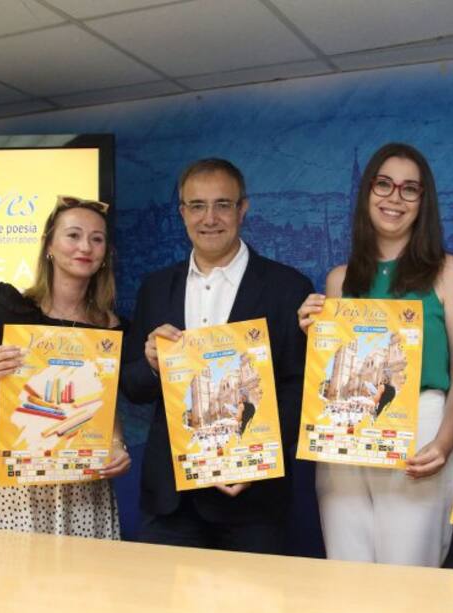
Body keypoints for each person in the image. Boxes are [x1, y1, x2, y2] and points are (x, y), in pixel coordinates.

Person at [298, 143, 453, 566]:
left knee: (407, 575)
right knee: (347, 571)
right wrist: (313, 334)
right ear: (366, 193)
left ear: (423, 202)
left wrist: (444, 443)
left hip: (420, 431)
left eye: (409, 189)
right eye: (383, 184)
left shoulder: (449, 273)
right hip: (344, 432)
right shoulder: (339, 280)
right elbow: (331, 374)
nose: (394, 197)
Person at [120, 158, 313, 554]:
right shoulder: (155, 288)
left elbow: (299, 388)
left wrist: (254, 458)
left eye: (222, 204)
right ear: (182, 212)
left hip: (252, 500)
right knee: (160, 596)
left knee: (250, 597)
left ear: (243, 209)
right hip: (170, 502)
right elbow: (133, 387)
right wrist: (152, 366)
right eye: (197, 206)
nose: (209, 218)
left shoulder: (288, 287)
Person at [0, 197, 130, 537]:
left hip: (81, 479)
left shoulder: (110, 327)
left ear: (105, 254)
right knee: (9, 570)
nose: (85, 247)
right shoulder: (9, 311)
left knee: (85, 571)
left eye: (97, 239)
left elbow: (105, 408)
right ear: (49, 246)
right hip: (16, 482)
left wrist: (116, 444)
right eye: (73, 235)